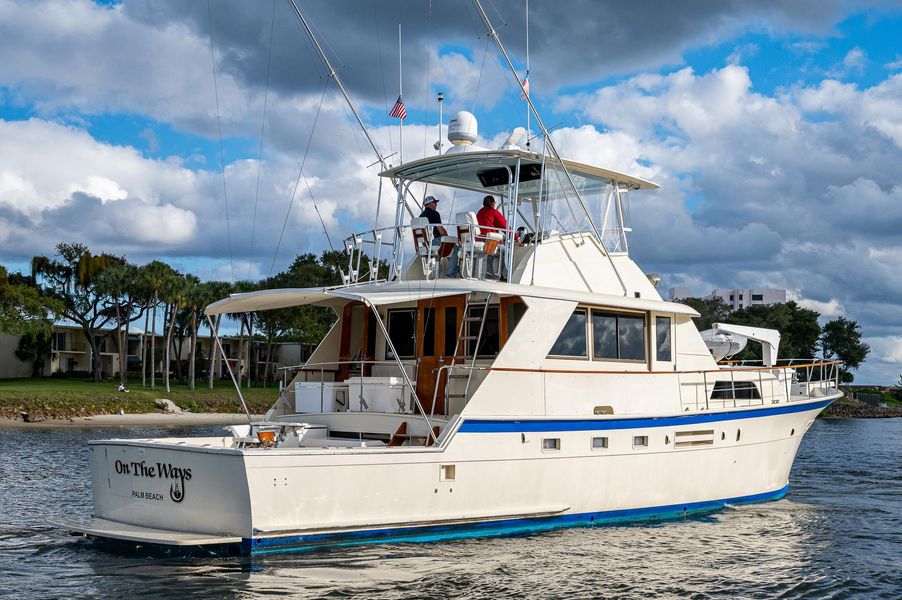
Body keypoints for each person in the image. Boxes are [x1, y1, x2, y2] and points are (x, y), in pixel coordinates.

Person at [420, 196, 460, 277]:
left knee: (449, 246)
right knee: (455, 247)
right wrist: (447, 238)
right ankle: (450, 274)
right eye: (435, 203)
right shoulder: (434, 213)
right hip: (434, 241)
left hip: (425, 243)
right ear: (430, 204)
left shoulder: (421, 216)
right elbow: (441, 231)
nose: (436, 205)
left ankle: (451, 270)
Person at [476, 195, 508, 279]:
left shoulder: (479, 212)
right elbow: (505, 226)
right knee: (504, 250)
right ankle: (499, 275)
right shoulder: (493, 212)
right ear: (492, 203)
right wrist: (516, 237)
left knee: (491, 251)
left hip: (479, 240)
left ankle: (488, 273)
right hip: (490, 242)